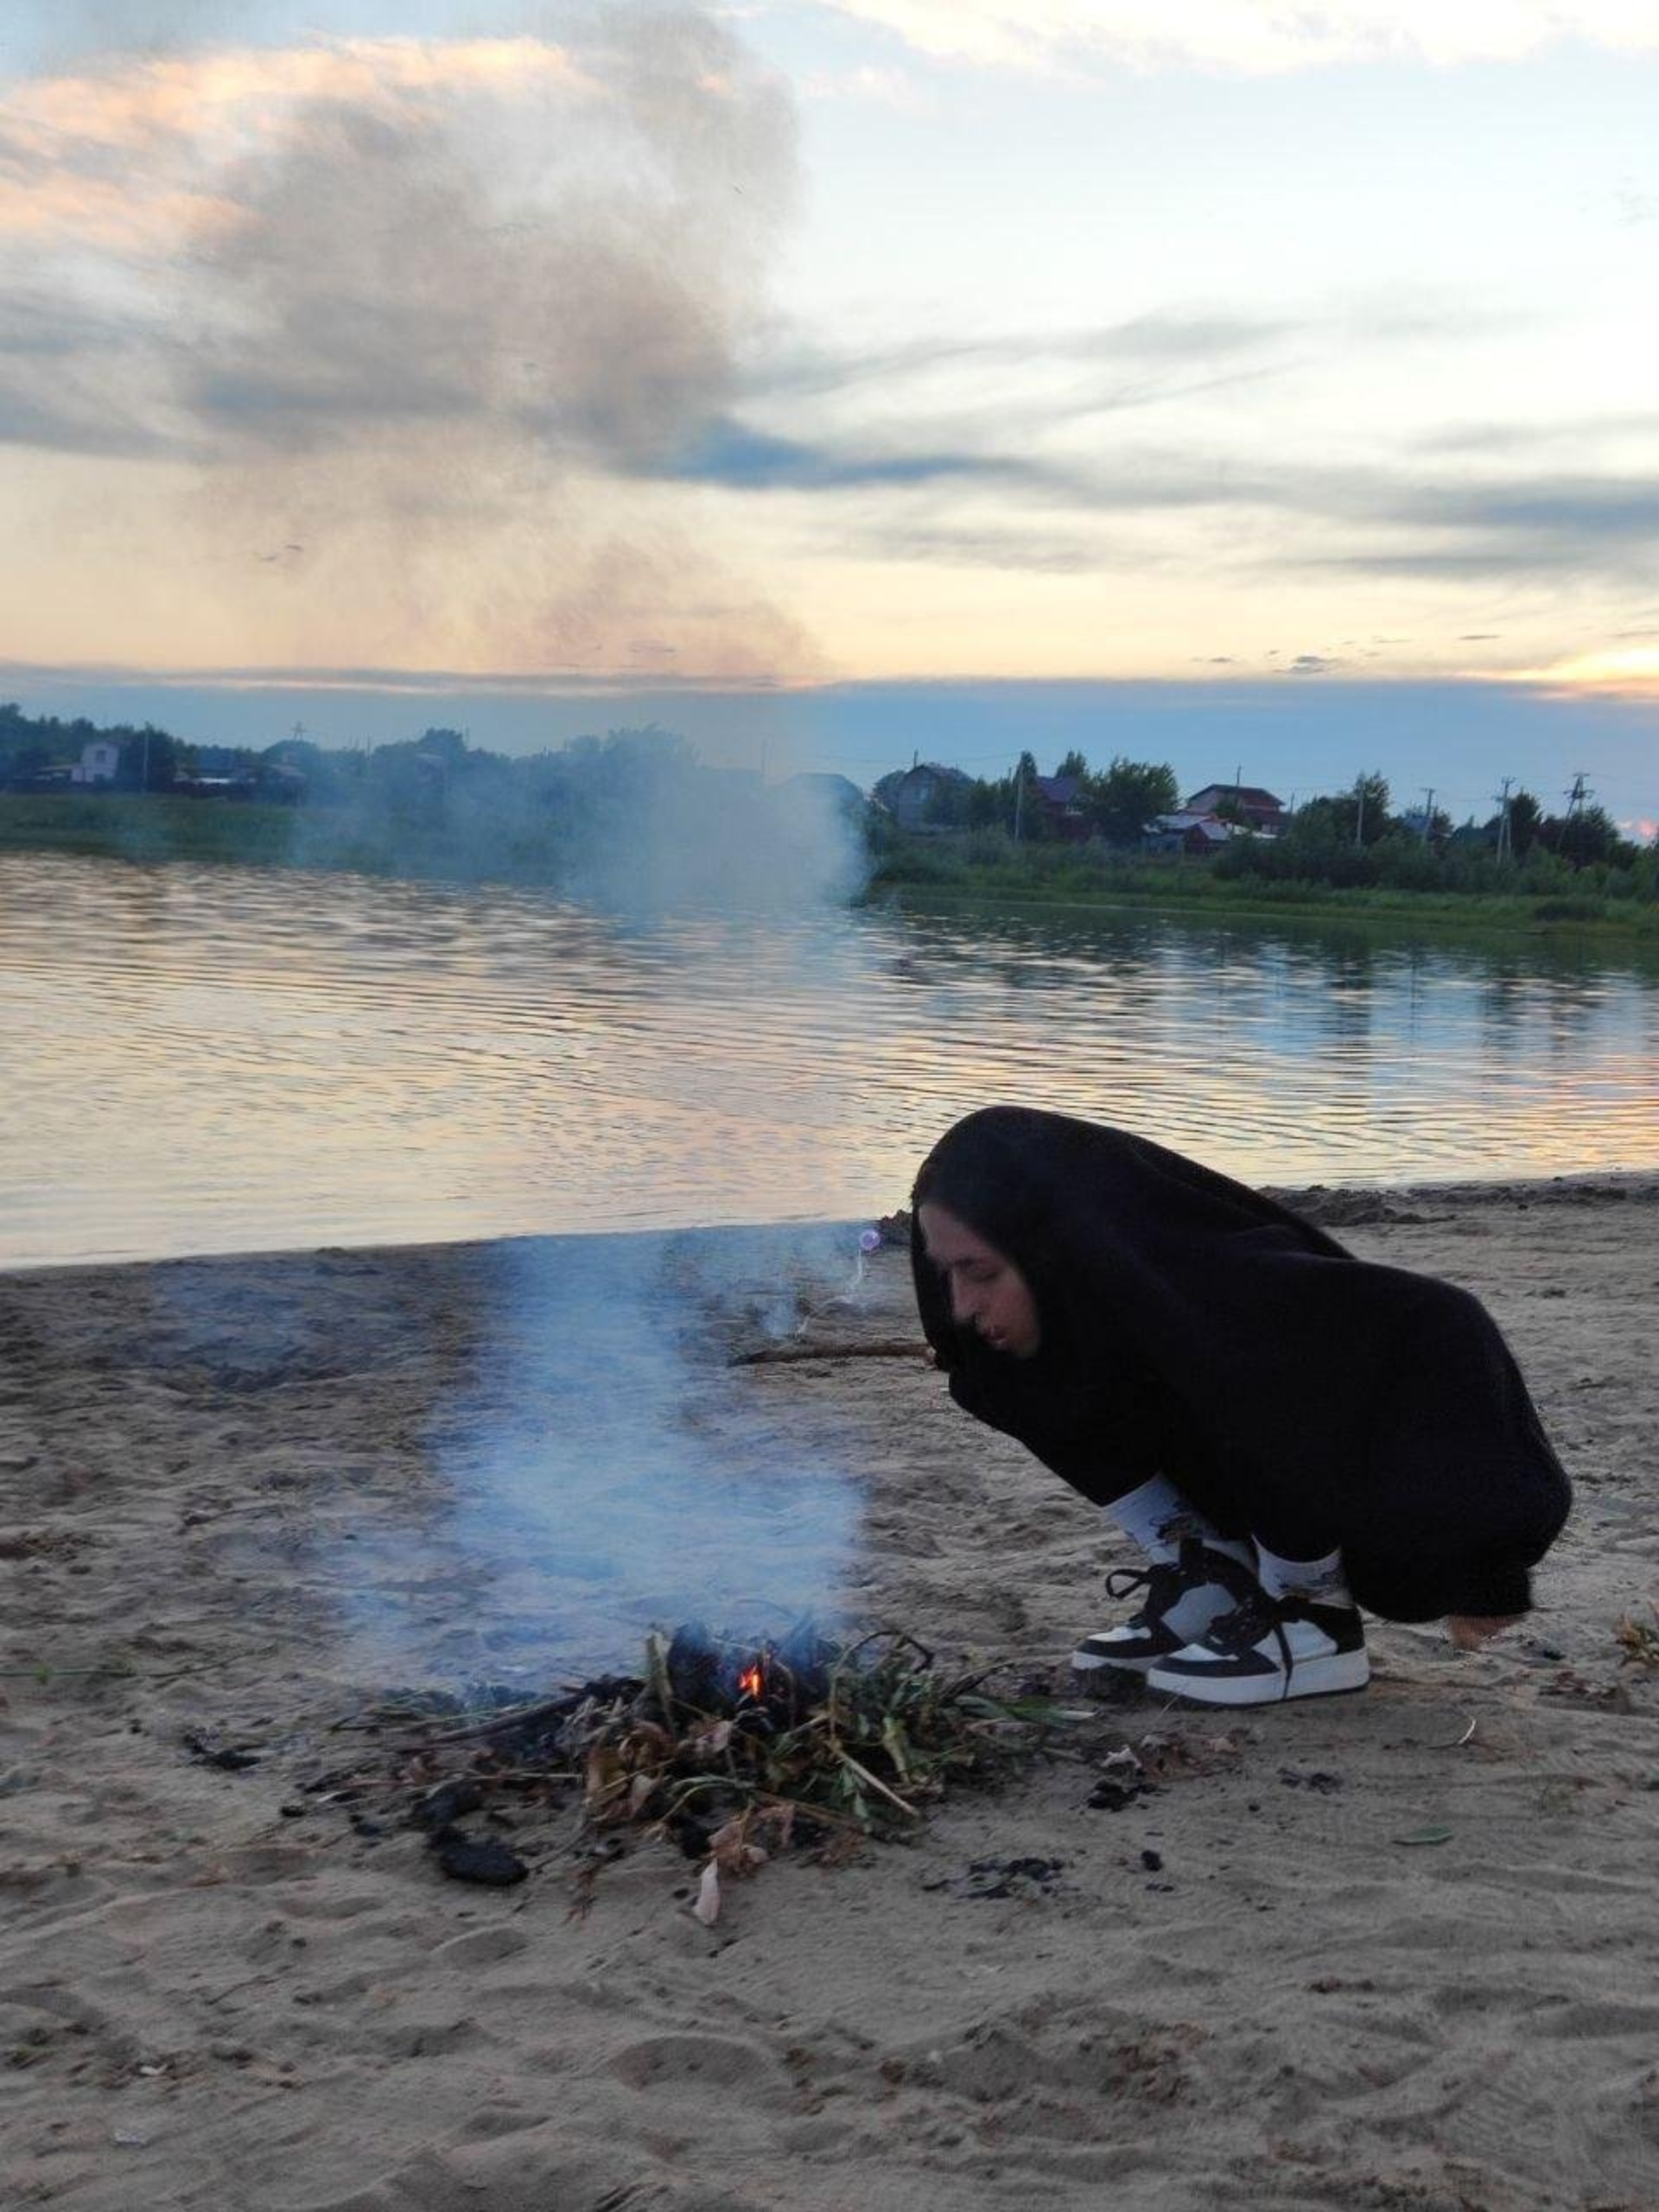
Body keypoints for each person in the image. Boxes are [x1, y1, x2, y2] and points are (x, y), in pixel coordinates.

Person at [911, 1107, 1571, 1707]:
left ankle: (1314, 1622)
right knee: (987, 1367)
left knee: (1241, 1370)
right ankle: (1213, 1575)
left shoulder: (1224, 1291)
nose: (963, 1304)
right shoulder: (1083, 1304)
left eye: (981, 1271)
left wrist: (1490, 1572)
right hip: (1255, 1490)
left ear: (1045, 1248)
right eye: (949, 1274)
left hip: (1370, 1508)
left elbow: (1443, 1318)